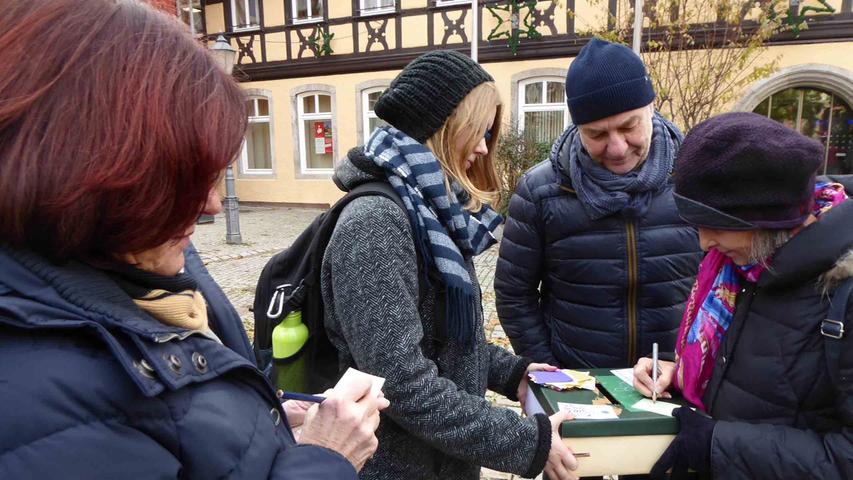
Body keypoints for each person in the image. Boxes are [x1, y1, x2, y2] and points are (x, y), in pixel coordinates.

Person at [0, 0, 386, 478]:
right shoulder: (33, 397)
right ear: (94, 167)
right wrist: (327, 459)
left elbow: (183, 432)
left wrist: (264, 426)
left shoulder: (153, 276)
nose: (212, 205)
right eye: (185, 178)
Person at [320, 50, 579, 480]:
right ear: (441, 129)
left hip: (439, 464)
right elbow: (402, 384)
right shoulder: (376, 223)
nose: (482, 147)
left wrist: (513, 373)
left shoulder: (427, 212)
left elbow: (442, 341)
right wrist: (526, 442)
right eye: (477, 130)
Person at [632, 112, 853, 479]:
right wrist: (681, 373)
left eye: (716, 225)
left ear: (769, 219)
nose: (704, 243)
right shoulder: (739, 268)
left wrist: (716, 444)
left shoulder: (842, 294)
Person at [496, 37, 702, 369]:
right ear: (577, 128)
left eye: (629, 126)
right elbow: (514, 295)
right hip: (579, 388)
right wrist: (555, 376)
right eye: (597, 134)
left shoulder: (696, 179)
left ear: (651, 107)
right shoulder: (541, 191)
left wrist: (693, 370)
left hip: (676, 382)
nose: (618, 148)